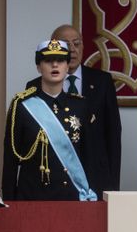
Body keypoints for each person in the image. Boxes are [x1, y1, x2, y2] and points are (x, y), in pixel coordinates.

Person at [25, 24, 122, 194]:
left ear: (83, 46)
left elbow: (113, 136)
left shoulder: (102, 82)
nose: (72, 50)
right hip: (51, 180)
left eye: (77, 43)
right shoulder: (34, 86)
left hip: (95, 178)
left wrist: (112, 185)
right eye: (66, 44)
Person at [2, 40, 98, 201]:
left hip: (72, 197)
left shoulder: (81, 106)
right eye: (48, 60)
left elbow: (90, 159)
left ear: (67, 67)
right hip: (32, 197)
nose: (55, 65)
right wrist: (10, 202)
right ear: (39, 67)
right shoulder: (22, 106)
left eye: (60, 60)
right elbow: (10, 161)